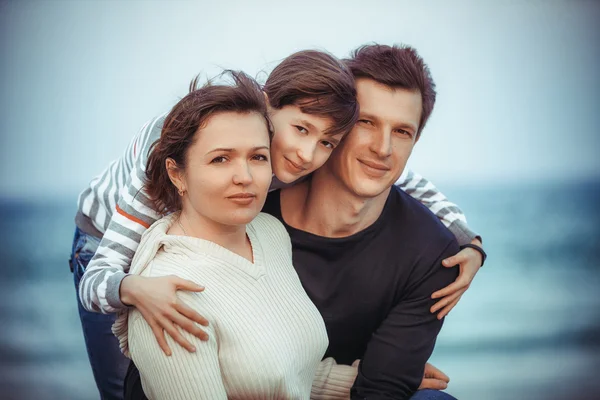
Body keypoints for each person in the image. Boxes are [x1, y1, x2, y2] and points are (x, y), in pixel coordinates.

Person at [72, 49, 482, 399]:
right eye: (301, 130)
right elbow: (99, 276)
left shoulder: (288, 159)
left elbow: (394, 171)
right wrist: (133, 288)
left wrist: (467, 240)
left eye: (326, 142)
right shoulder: (182, 155)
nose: (306, 155)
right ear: (268, 107)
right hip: (105, 237)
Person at [258, 43, 481, 399]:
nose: (383, 148)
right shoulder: (251, 211)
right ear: (338, 124)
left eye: (402, 132)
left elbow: (382, 390)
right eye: (366, 123)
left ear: (415, 140)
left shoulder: (434, 254)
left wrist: (471, 241)